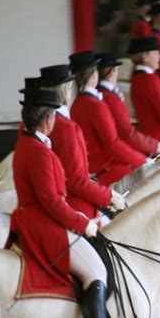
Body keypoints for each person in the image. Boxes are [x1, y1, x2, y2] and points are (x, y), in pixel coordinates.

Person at [12, 86, 133, 318]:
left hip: (40, 218)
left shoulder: (32, 143)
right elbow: (53, 201)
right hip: (43, 224)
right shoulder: (38, 150)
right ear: (47, 119)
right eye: (54, 115)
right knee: (96, 271)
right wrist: (83, 224)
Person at [38, 63, 125, 219]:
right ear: (66, 90)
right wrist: (109, 196)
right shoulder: (65, 127)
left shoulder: (42, 122)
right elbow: (75, 181)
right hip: (72, 204)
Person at [70, 50, 147, 187]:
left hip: (93, 167)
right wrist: (143, 161)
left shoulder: (76, 104)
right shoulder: (96, 105)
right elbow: (112, 144)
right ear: (94, 74)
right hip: (107, 170)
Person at [96, 52, 160, 158]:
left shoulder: (105, 94)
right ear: (112, 72)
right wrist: (155, 146)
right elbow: (126, 133)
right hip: (116, 156)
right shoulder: (110, 97)